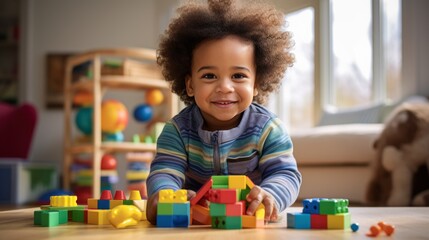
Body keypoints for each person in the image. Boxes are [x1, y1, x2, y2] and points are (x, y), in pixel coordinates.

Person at [146, 0, 301, 225]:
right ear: (190, 85)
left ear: (256, 83)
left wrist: (271, 195)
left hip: (249, 221)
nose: (225, 87)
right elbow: (165, 172)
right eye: (209, 76)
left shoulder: (268, 129)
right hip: (196, 223)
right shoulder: (177, 132)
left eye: (238, 76)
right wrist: (164, 196)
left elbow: (285, 174)